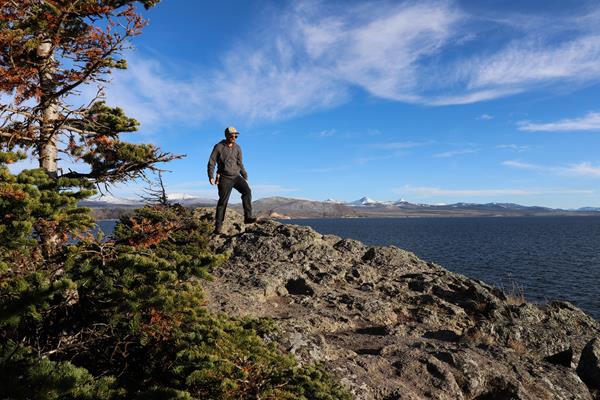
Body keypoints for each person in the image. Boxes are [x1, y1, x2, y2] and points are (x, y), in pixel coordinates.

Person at [207, 126, 256, 234]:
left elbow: (240, 163)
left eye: (235, 135)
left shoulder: (237, 148)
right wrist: (210, 176)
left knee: (247, 191)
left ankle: (248, 217)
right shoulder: (219, 147)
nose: (234, 137)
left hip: (236, 176)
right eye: (232, 135)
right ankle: (218, 227)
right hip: (224, 178)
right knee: (223, 202)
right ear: (227, 135)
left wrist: (244, 175)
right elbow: (212, 161)